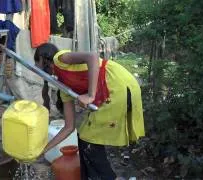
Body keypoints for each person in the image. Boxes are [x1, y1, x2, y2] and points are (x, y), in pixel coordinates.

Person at [34, 43, 145, 180]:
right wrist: (43, 150)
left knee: (88, 141)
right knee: (85, 139)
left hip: (117, 84)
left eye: (37, 64)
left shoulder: (60, 59)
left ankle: (108, 177)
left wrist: (90, 95)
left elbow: (92, 57)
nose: (40, 72)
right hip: (112, 89)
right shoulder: (64, 87)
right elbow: (69, 127)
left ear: (43, 58)